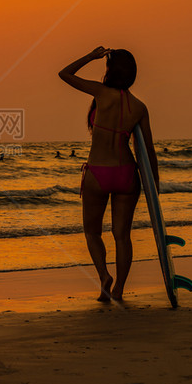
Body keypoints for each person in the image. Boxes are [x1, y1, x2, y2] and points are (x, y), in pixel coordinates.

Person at [58, 46, 158, 302]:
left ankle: (104, 276)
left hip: (98, 173)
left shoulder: (101, 93)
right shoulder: (139, 107)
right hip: (126, 174)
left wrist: (91, 56)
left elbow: (65, 73)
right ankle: (119, 291)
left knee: (92, 232)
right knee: (122, 236)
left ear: (110, 70)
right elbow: (147, 149)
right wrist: (154, 187)